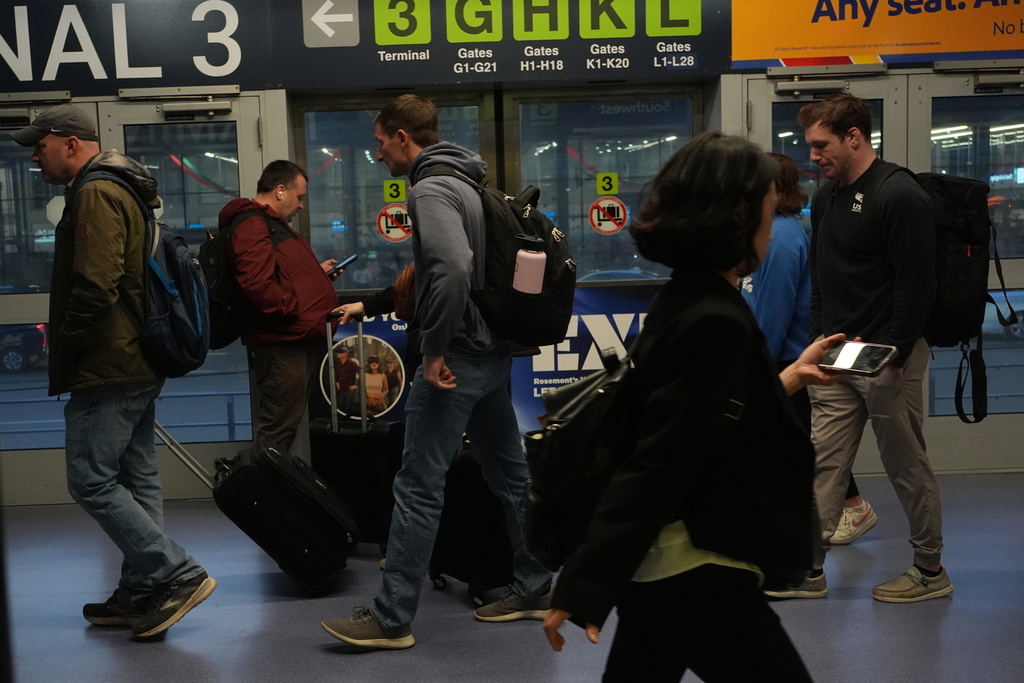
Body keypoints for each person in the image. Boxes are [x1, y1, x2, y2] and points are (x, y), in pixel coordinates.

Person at [542, 131, 846, 681]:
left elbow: (705, 416)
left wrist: (792, 376)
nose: (771, 231)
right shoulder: (716, 320)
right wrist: (586, 581)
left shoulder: (687, 298)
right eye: (768, 215)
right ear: (736, 215)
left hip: (663, 564)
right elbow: (658, 459)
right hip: (694, 569)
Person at [320, 94, 553, 650]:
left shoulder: (428, 187)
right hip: (491, 353)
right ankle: (537, 582)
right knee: (510, 474)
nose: (376, 154)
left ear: (403, 137)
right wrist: (376, 304)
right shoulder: (467, 181)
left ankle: (391, 616)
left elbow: (449, 268)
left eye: (380, 142)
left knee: (419, 486)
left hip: (459, 357)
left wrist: (437, 350)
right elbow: (430, 273)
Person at [10, 104, 216, 639]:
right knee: (135, 474)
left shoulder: (96, 194)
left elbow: (96, 287)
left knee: (90, 479)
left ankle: (176, 572)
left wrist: (68, 348)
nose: (36, 155)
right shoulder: (124, 187)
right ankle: (141, 591)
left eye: (42, 144)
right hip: (137, 358)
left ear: (72, 143)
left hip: (110, 361)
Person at [770, 93, 949, 603]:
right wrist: (819, 338)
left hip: (888, 360)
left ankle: (930, 569)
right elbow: (823, 276)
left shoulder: (899, 195)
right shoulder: (826, 198)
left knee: (905, 465)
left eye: (821, 145)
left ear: (854, 137)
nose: (813, 157)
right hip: (836, 357)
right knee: (823, 461)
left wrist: (892, 353)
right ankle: (808, 567)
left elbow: (918, 287)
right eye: (810, 146)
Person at [741, 153, 877, 546]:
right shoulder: (768, 231)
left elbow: (775, 309)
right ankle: (849, 506)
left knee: (800, 443)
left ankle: (846, 508)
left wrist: (756, 360)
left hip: (790, 359)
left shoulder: (781, 237)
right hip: (783, 356)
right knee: (802, 441)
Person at [218, 160, 341, 453]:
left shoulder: (269, 225)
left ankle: (269, 488)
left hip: (294, 340)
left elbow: (277, 273)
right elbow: (259, 287)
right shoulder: (252, 224)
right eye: (299, 197)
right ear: (281, 191)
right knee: (277, 430)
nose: (300, 206)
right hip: (282, 344)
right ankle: (260, 495)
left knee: (283, 427)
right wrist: (296, 310)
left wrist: (315, 277)